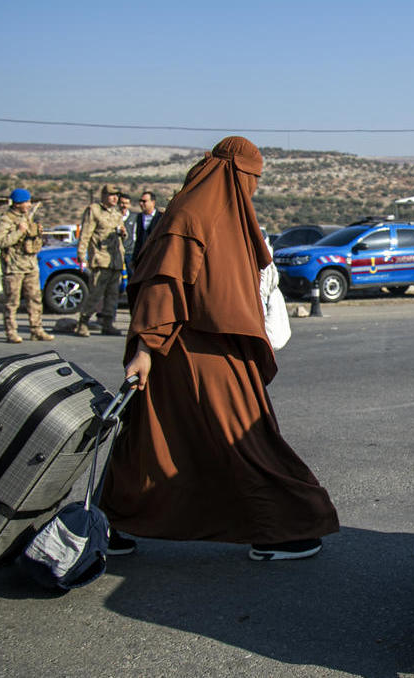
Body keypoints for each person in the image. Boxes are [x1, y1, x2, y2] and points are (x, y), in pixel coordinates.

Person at [99, 136, 339, 560]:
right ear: (233, 173)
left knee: (154, 439)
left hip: (211, 349)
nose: (254, 188)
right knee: (244, 438)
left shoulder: (220, 214)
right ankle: (285, 526)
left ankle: (108, 522)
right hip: (193, 353)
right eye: (251, 179)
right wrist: (145, 348)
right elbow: (164, 283)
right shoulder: (193, 215)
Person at [0, 188, 54, 343]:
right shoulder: (5, 220)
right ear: (17, 203)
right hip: (13, 267)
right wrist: (19, 232)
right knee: (12, 301)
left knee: (35, 299)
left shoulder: (27, 218)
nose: (29, 205)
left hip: (30, 265)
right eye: (26, 202)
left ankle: (36, 330)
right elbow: (1, 242)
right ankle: (11, 332)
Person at [75, 184, 127, 337]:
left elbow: (124, 235)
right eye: (111, 195)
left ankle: (108, 323)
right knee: (96, 293)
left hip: (115, 259)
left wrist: (124, 233)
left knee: (112, 295)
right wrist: (81, 253)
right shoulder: (94, 210)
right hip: (101, 258)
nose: (115, 198)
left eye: (116, 195)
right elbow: (85, 233)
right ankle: (83, 322)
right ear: (104, 195)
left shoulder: (117, 213)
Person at [131, 190, 162, 263]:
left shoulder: (161, 218)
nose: (141, 204)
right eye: (140, 201)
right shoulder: (139, 217)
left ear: (153, 202)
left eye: (144, 201)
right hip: (141, 259)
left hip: (155, 258)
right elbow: (138, 240)